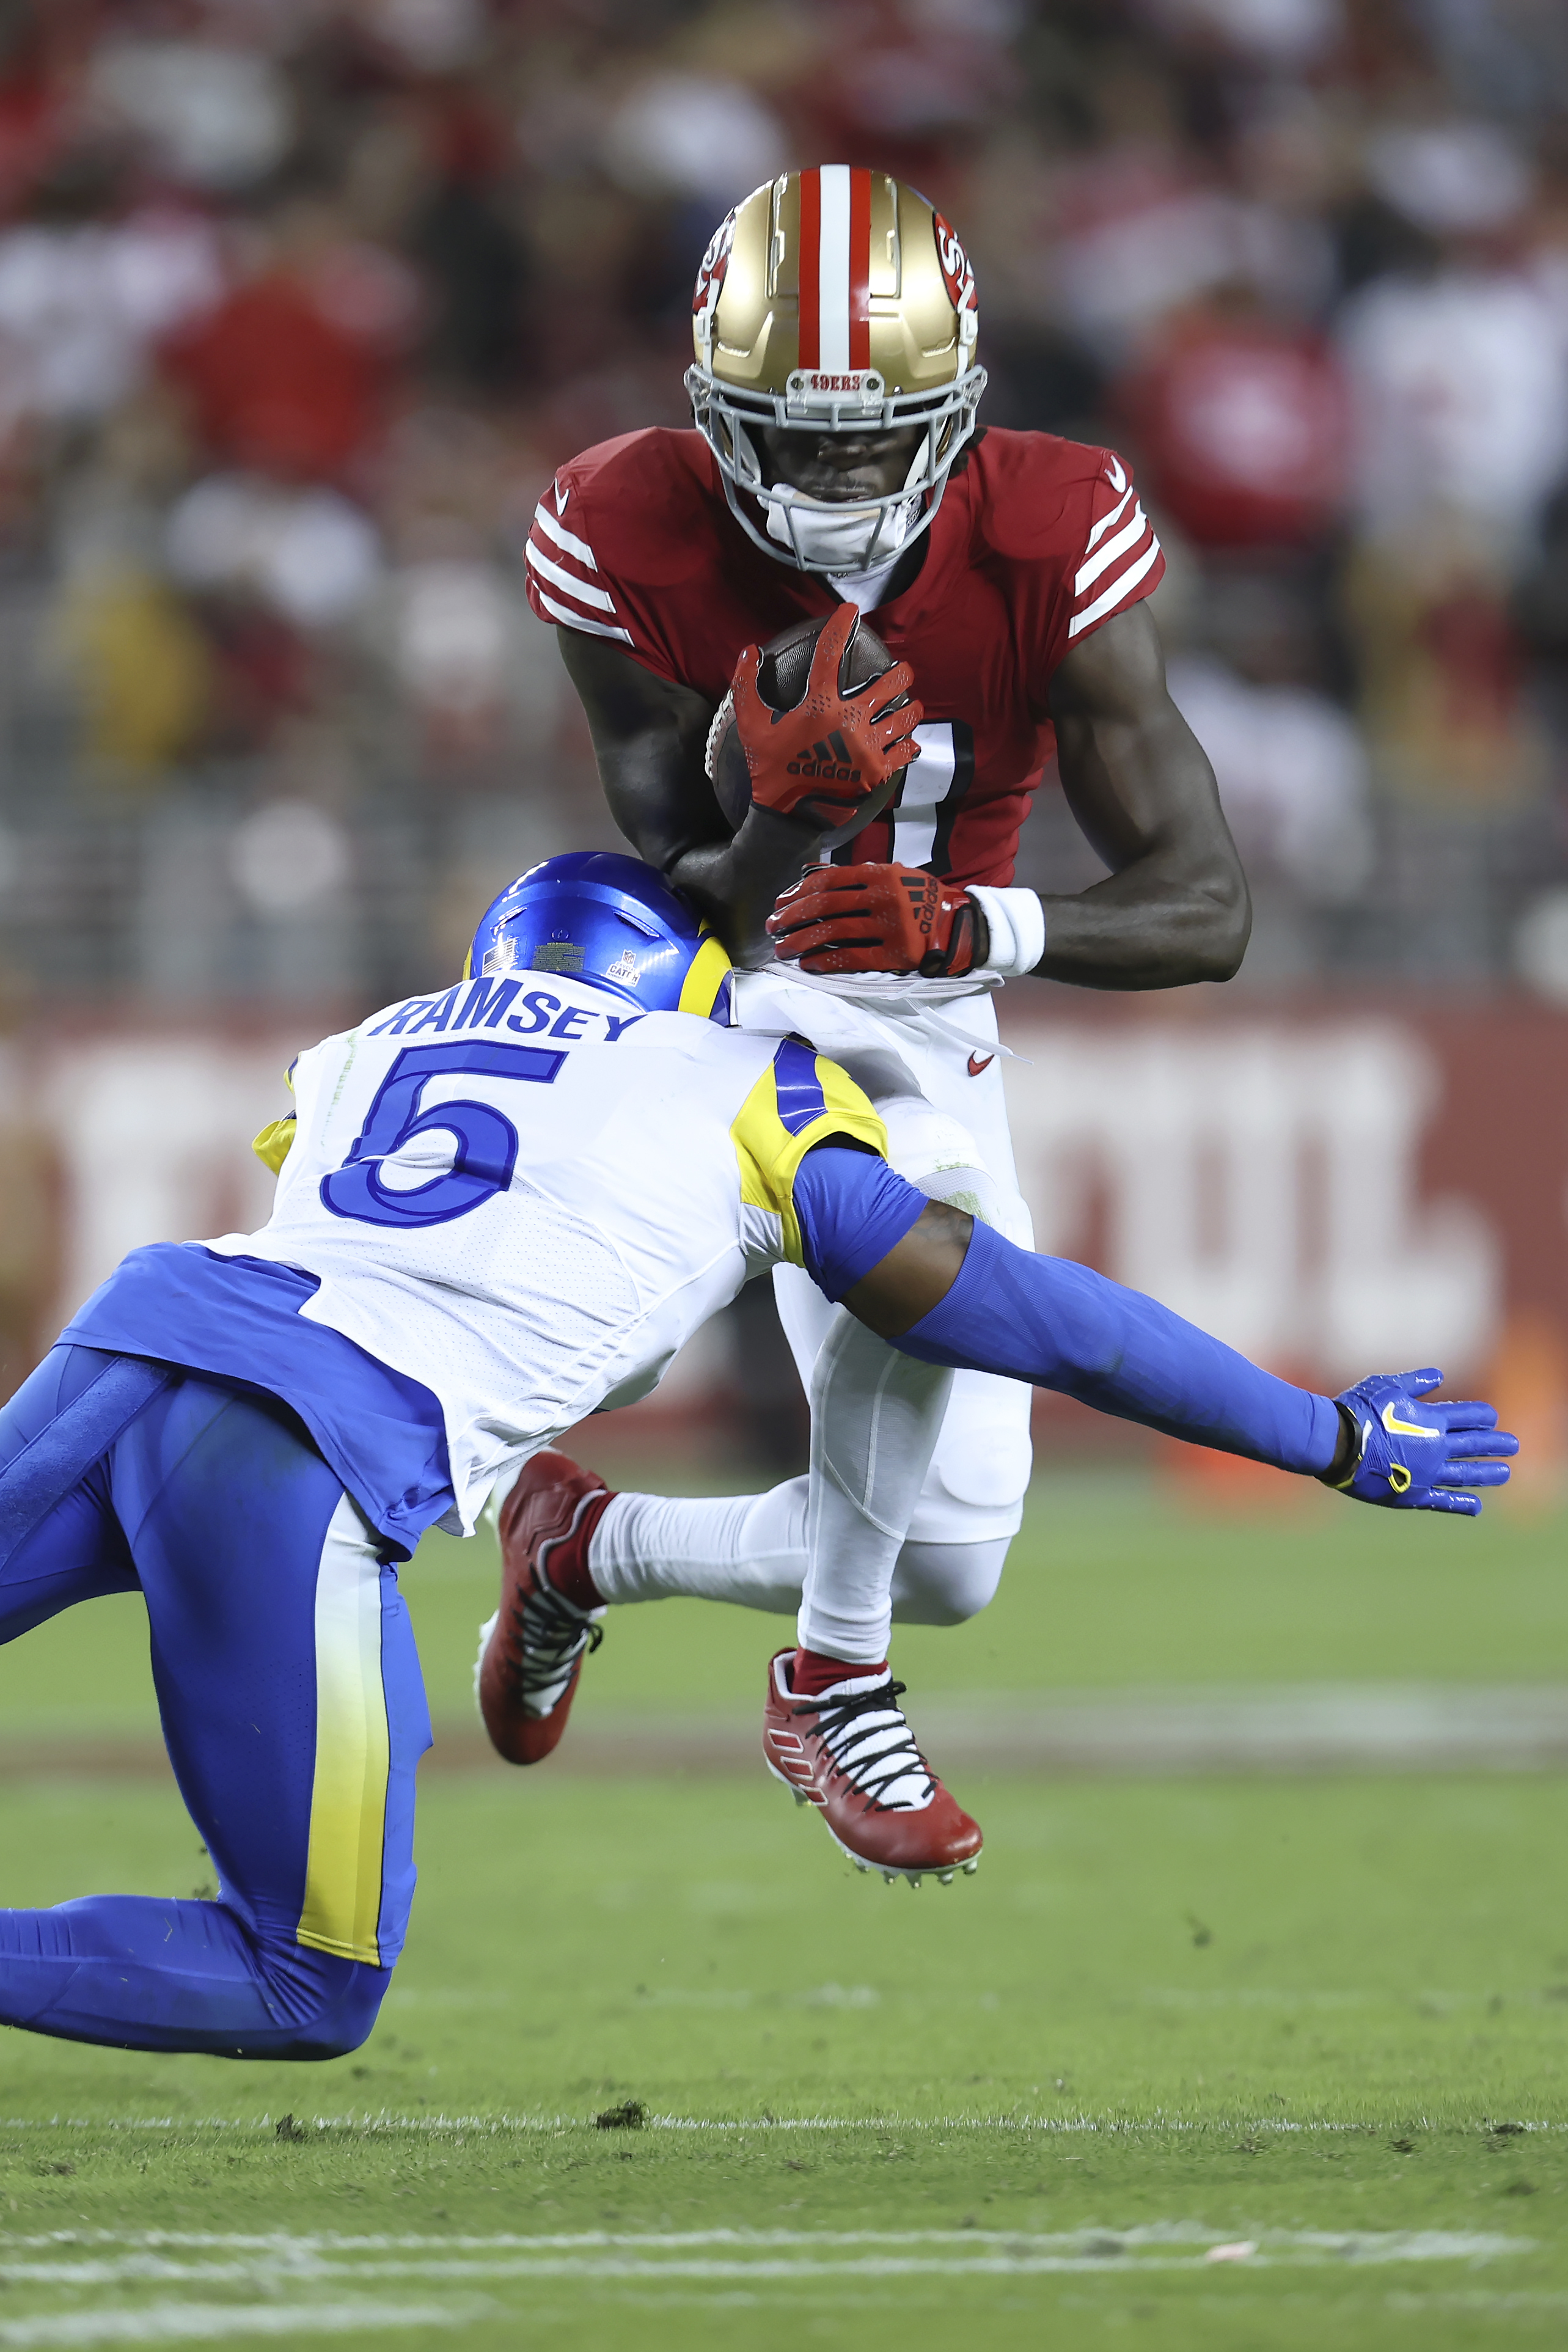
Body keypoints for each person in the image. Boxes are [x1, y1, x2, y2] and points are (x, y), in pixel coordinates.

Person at [0, 855, 1514, 2056]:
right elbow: (1038, 1319)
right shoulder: (742, 1083)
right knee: (302, 1976)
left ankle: (588, 1561)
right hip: (294, 1444)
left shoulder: (362, 1046)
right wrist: (1313, 1432)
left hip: (131, 1338)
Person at [519, 166, 1251, 1865]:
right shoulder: (615, 520)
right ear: (710, 412)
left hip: (933, 993)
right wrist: (785, 816)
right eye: (799, 435)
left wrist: (967, 920)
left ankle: (585, 1548)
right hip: (712, 994)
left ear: (958, 407)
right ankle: (832, 1681)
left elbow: (1205, 907)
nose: (841, 475)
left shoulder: (1052, 523)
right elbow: (678, 873)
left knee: (958, 1558)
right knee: (918, 1207)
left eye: (878, 437)